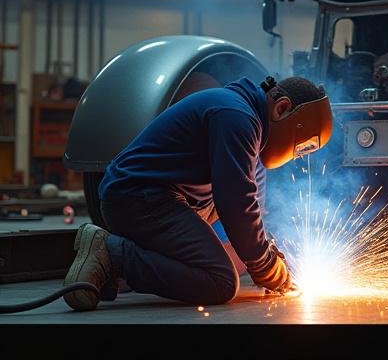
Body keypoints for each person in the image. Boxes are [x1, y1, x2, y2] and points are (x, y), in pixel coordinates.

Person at [63, 75, 333, 311]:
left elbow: (246, 207)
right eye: (304, 147)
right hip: (137, 197)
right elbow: (236, 203)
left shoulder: (245, 121)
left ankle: (121, 265)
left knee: (230, 258)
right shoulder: (237, 117)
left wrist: (266, 253)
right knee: (222, 282)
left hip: (154, 199)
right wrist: (263, 264)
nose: (297, 156)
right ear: (282, 108)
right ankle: (112, 254)